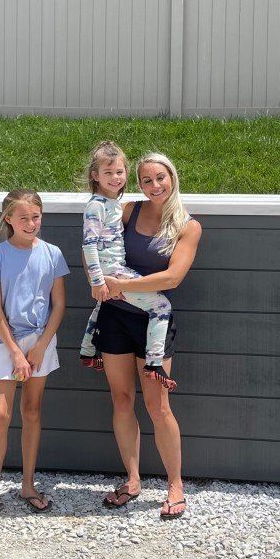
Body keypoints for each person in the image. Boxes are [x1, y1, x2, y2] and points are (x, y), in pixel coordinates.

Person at [95, 153, 202, 520]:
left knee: (158, 406)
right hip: (114, 317)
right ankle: (133, 480)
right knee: (122, 400)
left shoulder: (188, 226)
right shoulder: (128, 211)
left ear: (172, 178)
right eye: (146, 180)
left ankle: (175, 485)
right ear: (137, 183)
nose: (154, 186)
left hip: (153, 325)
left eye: (161, 178)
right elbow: (96, 244)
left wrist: (124, 284)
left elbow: (172, 278)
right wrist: (98, 280)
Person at [0, 189, 69, 525]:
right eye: (23, 217)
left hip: (41, 341)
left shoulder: (52, 254)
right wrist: (15, 352)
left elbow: (59, 306)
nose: (31, 223)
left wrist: (40, 345)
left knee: (32, 409)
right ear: (8, 219)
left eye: (36, 216)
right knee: (0, 414)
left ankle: (28, 485)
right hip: (5, 342)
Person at [77, 140, 177, 389]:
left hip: (114, 270)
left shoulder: (113, 205)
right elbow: (88, 245)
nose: (115, 177)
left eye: (119, 172)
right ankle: (154, 362)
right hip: (113, 270)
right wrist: (98, 280)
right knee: (161, 305)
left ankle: (88, 350)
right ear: (95, 176)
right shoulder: (96, 207)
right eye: (108, 173)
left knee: (104, 303)